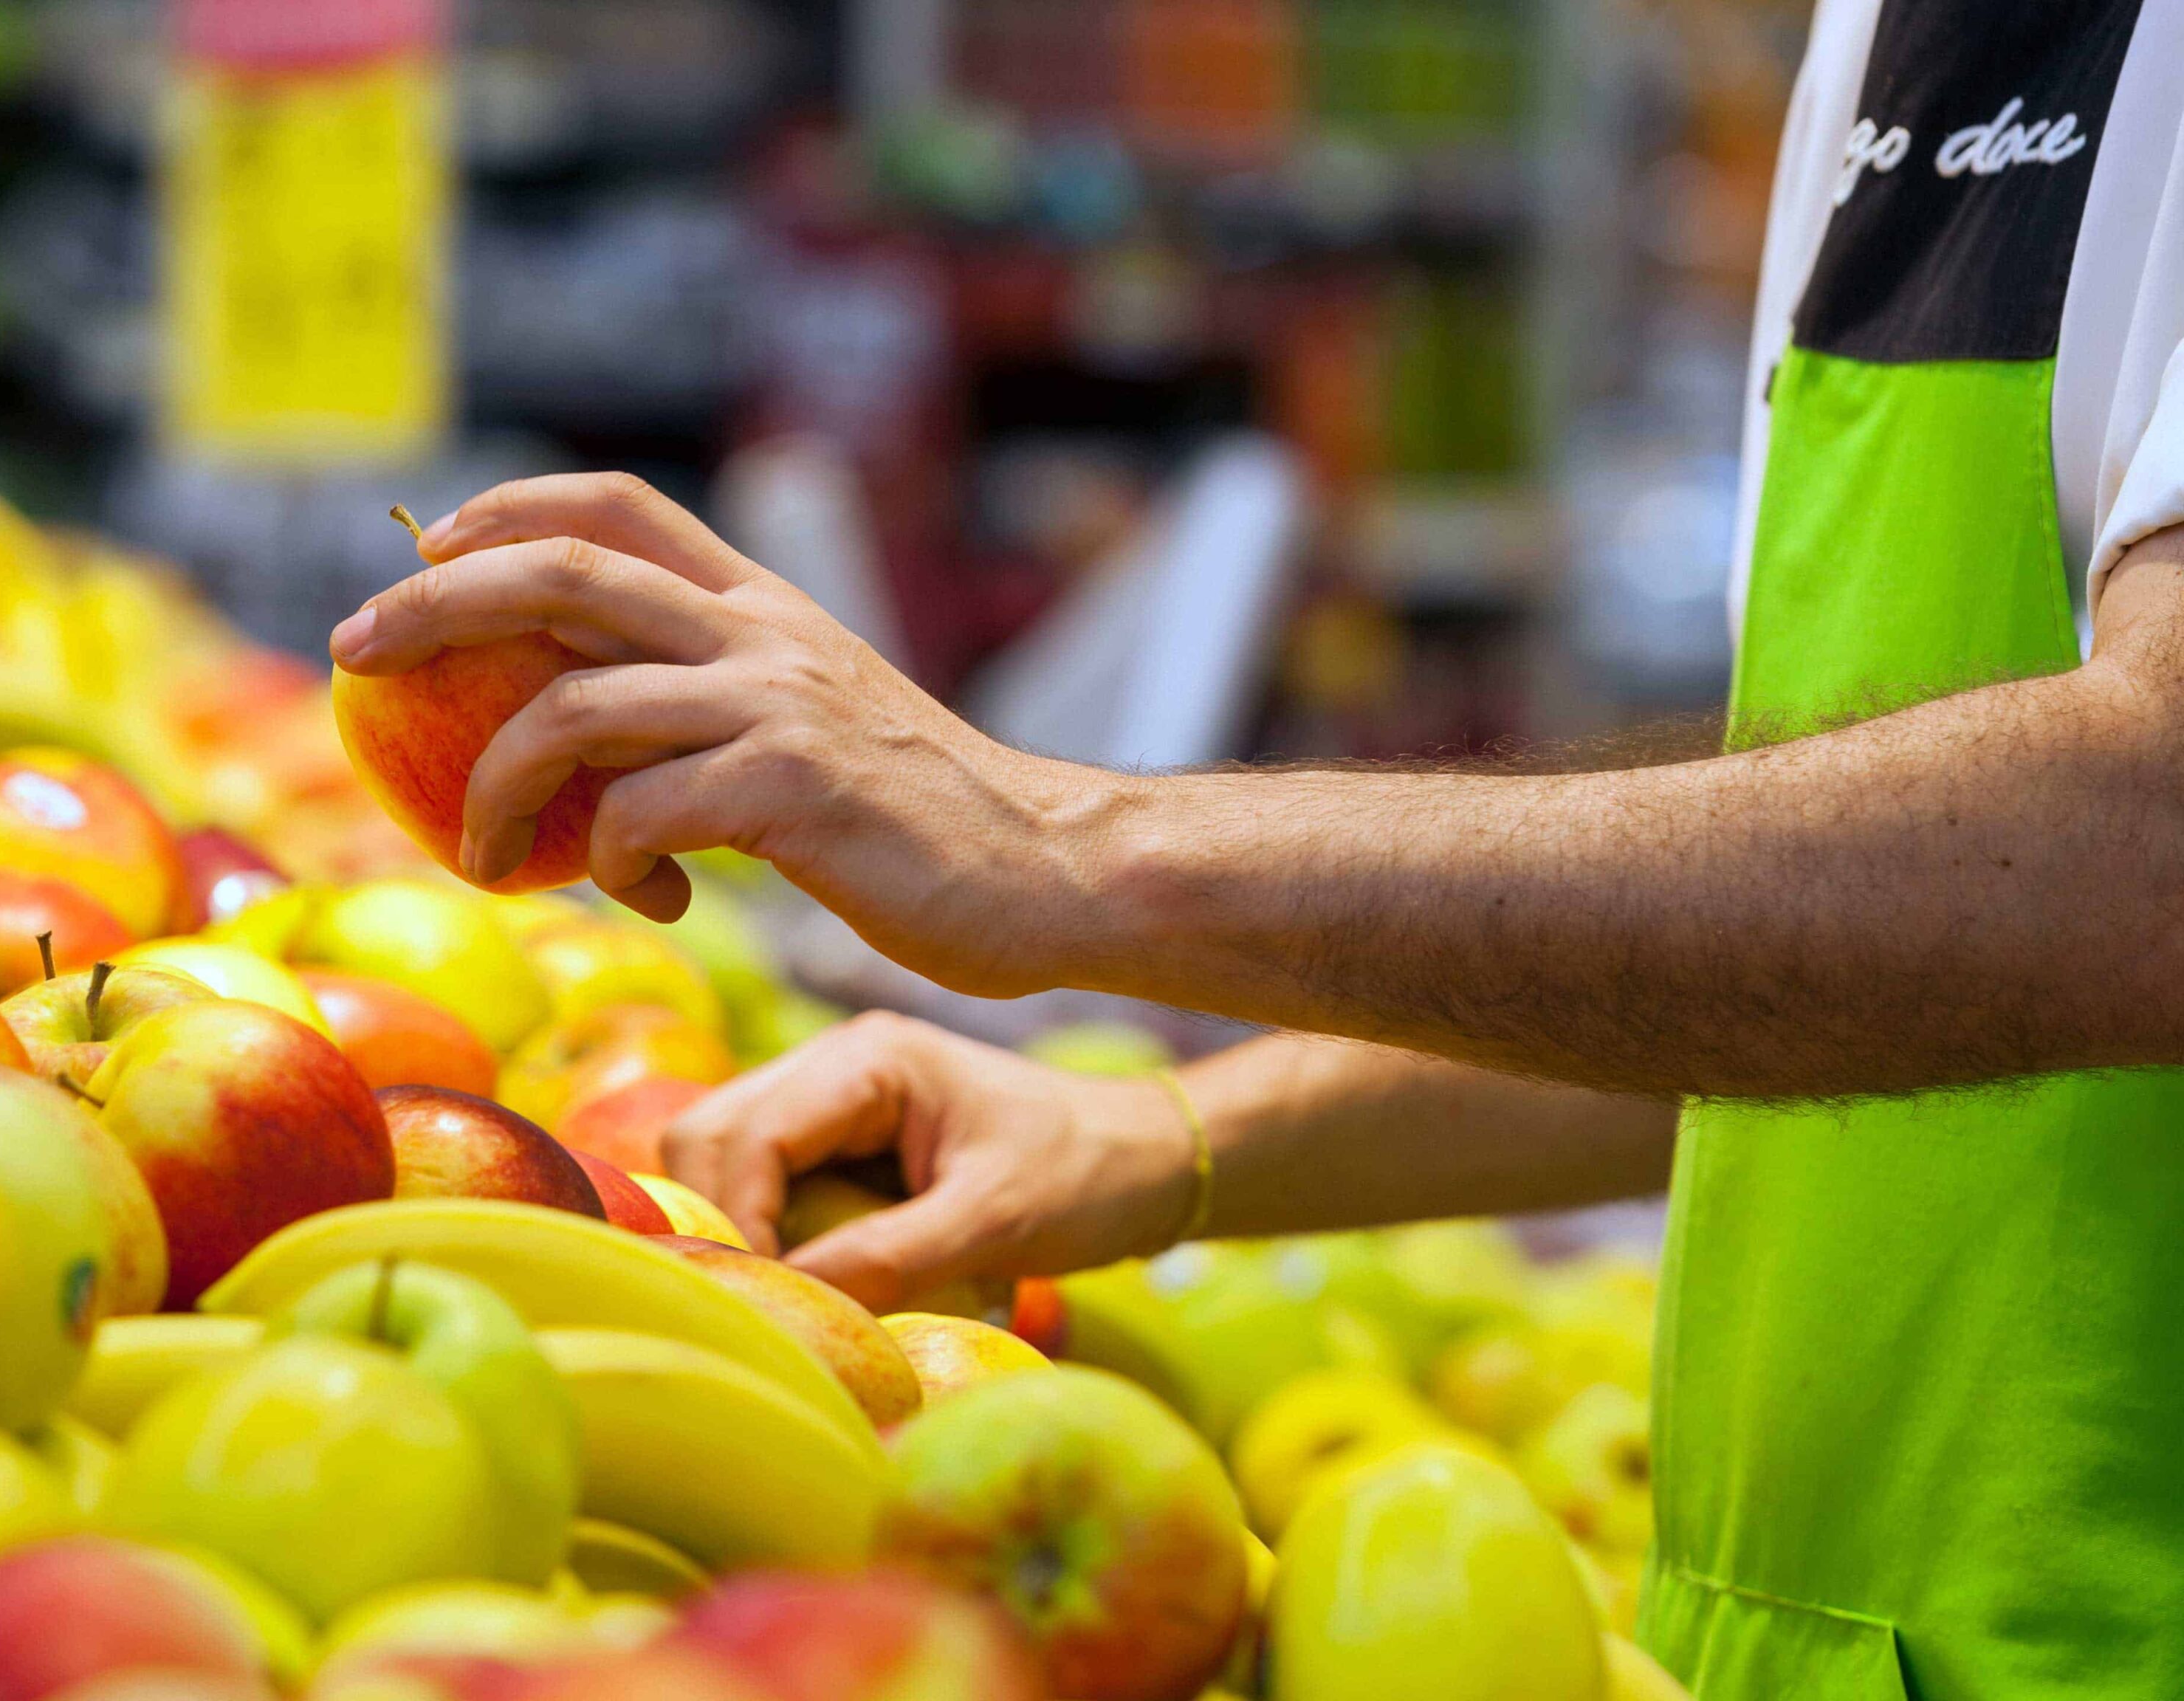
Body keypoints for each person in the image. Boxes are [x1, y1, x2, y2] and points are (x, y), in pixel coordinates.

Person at [331, 1, 2184, 1691]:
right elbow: (1870, 906)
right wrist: (1170, 1135)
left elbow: (2142, 856)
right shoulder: (1886, 35)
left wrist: (1066, 843)